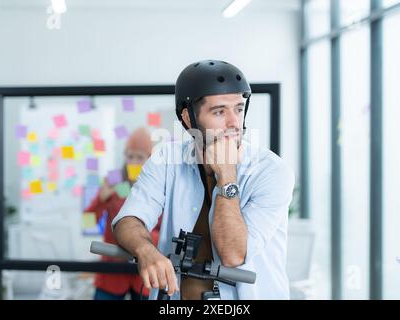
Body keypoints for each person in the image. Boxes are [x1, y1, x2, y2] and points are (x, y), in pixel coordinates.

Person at [112, 60, 295, 300]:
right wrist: (145, 250)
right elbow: (129, 219)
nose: (233, 123)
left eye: (239, 109)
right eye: (219, 111)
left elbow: (233, 255)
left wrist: (226, 175)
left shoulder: (271, 172)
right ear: (189, 119)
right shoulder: (167, 160)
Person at [85, 127, 161, 300]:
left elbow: (166, 229)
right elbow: (87, 222)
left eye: (139, 157)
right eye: (130, 156)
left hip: (145, 271)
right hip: (112, 272)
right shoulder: (112, 180)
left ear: (149, 159)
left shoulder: (158, 184)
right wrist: (100, 200)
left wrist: (137, 239)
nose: (133, 161)